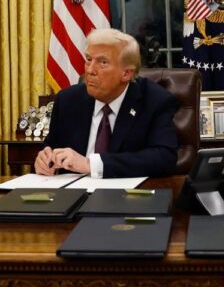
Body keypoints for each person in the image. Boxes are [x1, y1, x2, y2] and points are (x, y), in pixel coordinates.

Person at [34, 28, 179, 178]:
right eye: (88, 59)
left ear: (126, 73)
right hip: (73, 195)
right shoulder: (67, 100)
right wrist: (45, 161)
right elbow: (51, 147)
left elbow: (164, 158)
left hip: (126, 197)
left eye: (102, 62)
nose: (90, 70)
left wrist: (90, 164)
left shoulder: (154, 101)